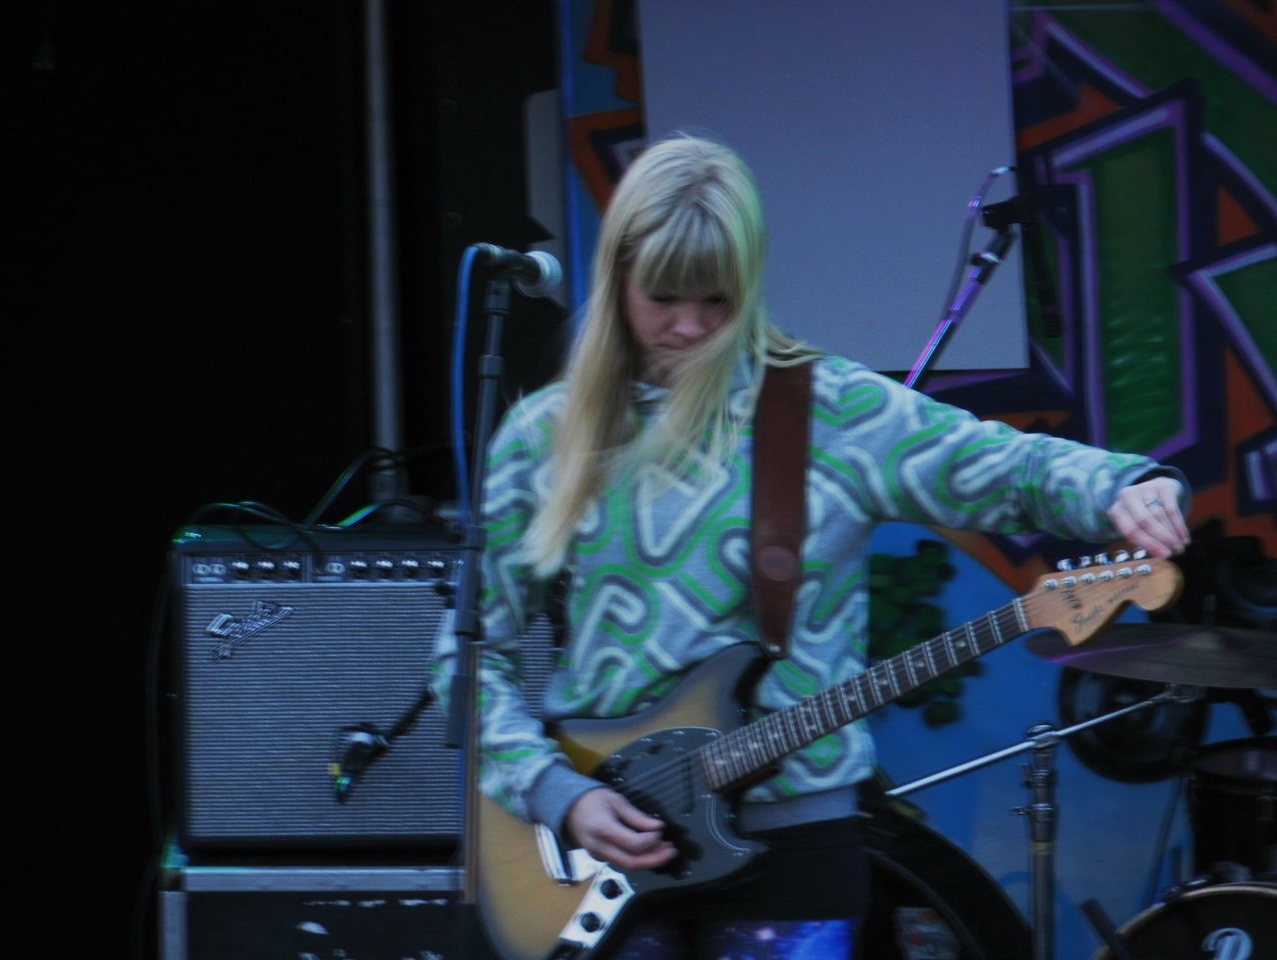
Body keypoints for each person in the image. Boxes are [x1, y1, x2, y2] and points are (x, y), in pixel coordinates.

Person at [436, 135, 1190, 958]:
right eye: (663, 298)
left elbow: (1005, 466)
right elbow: (471, 658)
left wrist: (1123, 485)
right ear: (616, 281)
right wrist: (554, 791)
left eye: (716, 302)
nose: (688, 327)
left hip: (792, 851)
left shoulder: (828, 411)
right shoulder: (544, 437)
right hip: (590, 846)